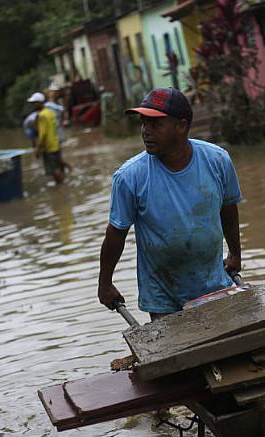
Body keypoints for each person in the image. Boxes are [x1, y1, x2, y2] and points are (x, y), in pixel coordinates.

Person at [97, 87, 242, 320]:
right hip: (164, 295)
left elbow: (228, 208)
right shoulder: (129, 177)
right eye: (143, 124)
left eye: (155, 124)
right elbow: (116, 234)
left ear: (181, 126)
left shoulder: (217, 160)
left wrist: (235, 253)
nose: (146, 131)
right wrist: (105, 284)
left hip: (215, 285)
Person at [28, 91, 65, 184]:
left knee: (53, 170)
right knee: (58, 166)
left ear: (40, 103)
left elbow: (42, 134)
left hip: (49, 147)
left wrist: (38, 149)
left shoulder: (42, 116)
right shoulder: (51, 112)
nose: (33, 105)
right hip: (56, 144)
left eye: (34, 103)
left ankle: (62, 189)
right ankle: (62, 185)